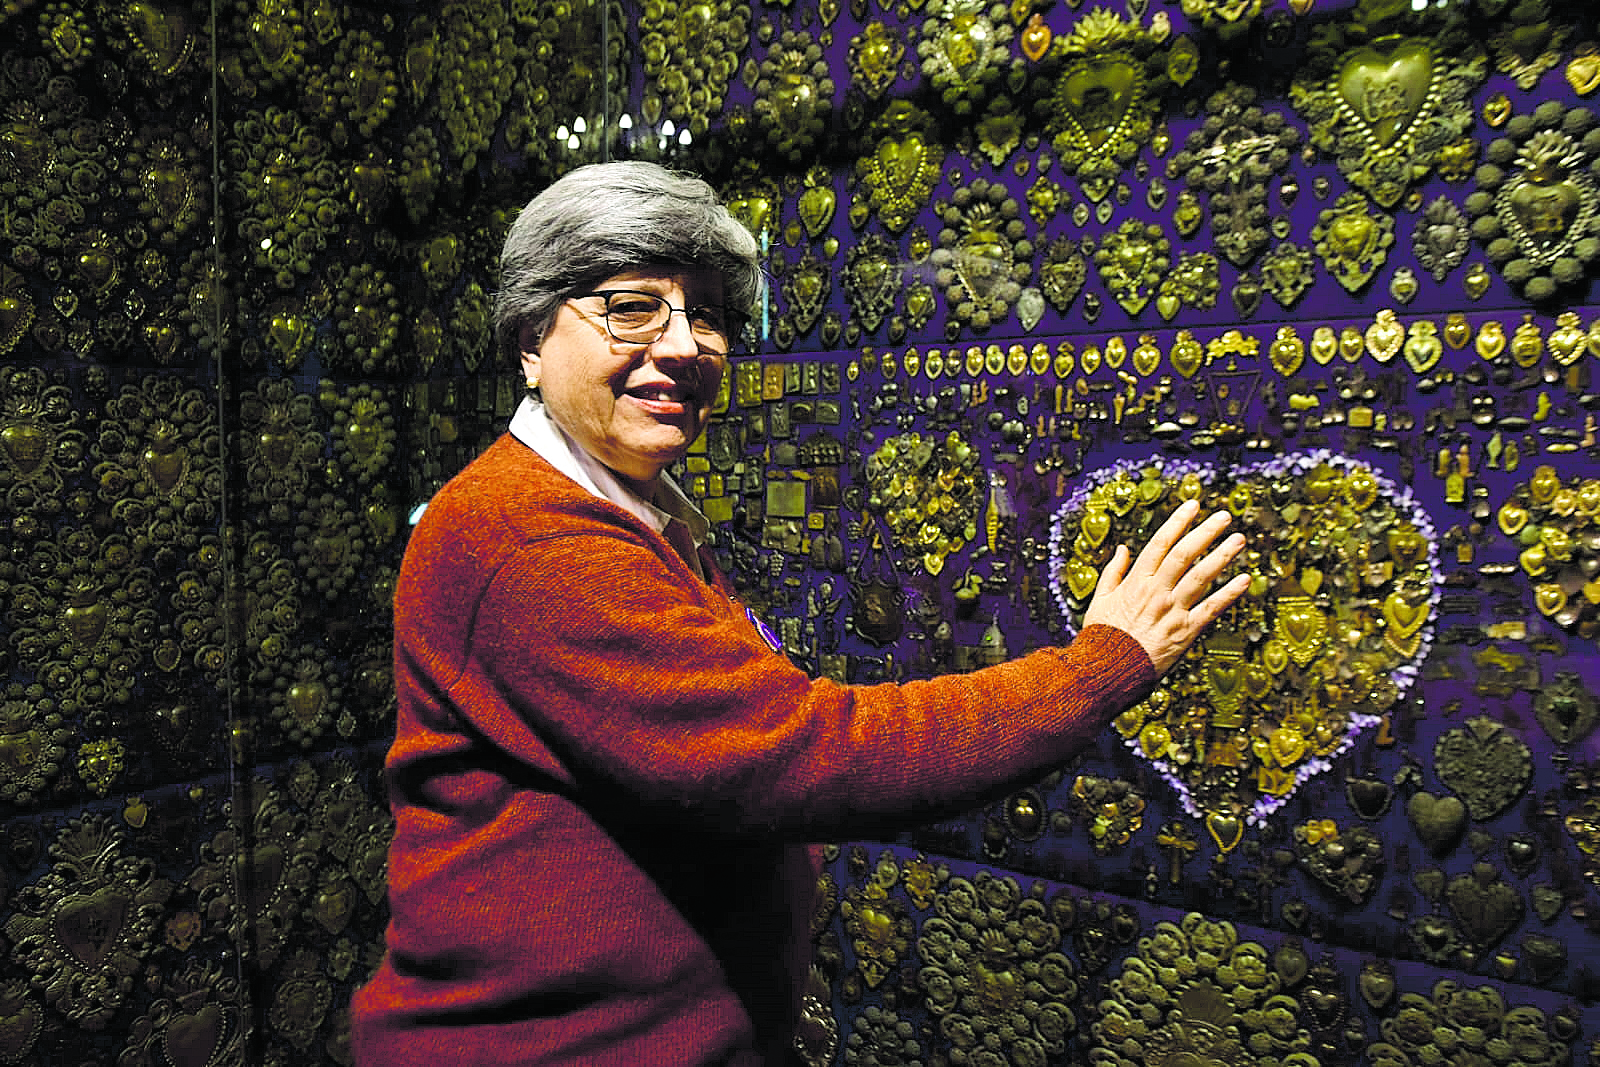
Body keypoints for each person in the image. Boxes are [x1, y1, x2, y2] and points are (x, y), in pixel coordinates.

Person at [350, 159, 1251, 1066]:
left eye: (705, 312)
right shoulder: (531, 540)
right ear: (531, 341)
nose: (681, 345)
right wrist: (1103, 663)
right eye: (631, 307)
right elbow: (806, 754)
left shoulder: (624, 508)